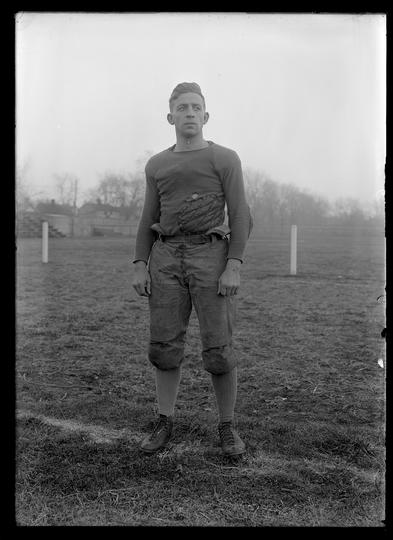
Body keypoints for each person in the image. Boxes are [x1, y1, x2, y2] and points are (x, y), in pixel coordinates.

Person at [132, 82, 252, 457]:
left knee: (218, 347)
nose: (188, 113)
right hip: (166, 258)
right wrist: (140, 264)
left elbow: (242, 215)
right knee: (165, 345)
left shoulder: (225, 158)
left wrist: (233, 264)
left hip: (211, 256)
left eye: (195, 107)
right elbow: (148, 217)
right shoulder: (157, 164)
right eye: (181, 107)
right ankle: (164, 420)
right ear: (170, 116)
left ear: (206, 115)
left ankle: (227, 427)